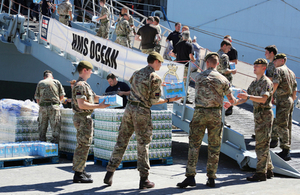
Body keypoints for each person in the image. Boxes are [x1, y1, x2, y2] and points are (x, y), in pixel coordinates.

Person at [103, 52, 181, 189]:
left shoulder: (137, 73)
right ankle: (144, 179)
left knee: (121, 141)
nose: (161, 65)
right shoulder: (155, 77)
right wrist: (170, 99)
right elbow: (154, 100)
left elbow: (137, 88)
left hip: (129, 109)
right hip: (142, 112)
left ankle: (109, 173)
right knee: (143, 144)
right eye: (160, 62)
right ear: (156, 61)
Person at [176, 52, 237, 188]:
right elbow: (231, 100)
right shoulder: (223, 79)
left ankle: (190, 176)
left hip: (199, 113)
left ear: (207, 63)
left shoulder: (198, 77)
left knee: (194, 145)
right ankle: (211, 178)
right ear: (218, 64)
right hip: (215, 114)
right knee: (214, 146)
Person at [235, 58, 274, 181]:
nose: (254, 67)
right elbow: (246, 98)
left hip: (265, 115)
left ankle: (261, 173)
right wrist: (233, 103)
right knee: (263, 143)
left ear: (264, 68)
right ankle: (269, 169)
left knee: (261, 145)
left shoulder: (266, 82)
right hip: (258, 115)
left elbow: (263, 99)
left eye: (257, 65)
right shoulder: (255, 82)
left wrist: (248, 96)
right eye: (254, 65)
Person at [72, 61, 110, 183]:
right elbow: (82, 104)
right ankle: (78, 174)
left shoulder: (85, 85)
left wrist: (109, 98)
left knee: (85, 144)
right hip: (82, 117)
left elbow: (94, 97)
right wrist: (100, 106)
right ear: (84, 70)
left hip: (85, 118)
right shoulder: (80, 86)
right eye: (90, 70)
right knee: (83, 145)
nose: (91, 72)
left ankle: (81, 169)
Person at [271, 53, 297, 161]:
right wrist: (292, 99)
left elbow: (275, 85)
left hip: (282, 100)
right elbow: (295, 88)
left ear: (282, 60)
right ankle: (286, 148)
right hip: (289, 99)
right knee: (288, 124)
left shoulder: (278, 70)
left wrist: (270, 96)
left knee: (282, 124)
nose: (274, 62)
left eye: (275, 61)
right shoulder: (291, 72)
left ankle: (285, 151)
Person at [34, 70, 65, 144]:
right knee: (55, 128)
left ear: (44, 77)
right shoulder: (57, 82)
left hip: (43, 107)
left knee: (42, 128)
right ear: (52, 77)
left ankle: (42, 146)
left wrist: (42, 106)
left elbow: (37, 99)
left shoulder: (40, 83)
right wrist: (56, 103)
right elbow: (62, 96)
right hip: (54, 107)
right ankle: (54, 148)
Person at [171, 30, 195, 104]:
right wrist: (193, 60)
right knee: (185, 82)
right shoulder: (190, 45)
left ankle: (176, 95)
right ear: (188, 37)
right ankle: (184, 98)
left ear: (182, 36)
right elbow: (191, 55)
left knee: (179, 80)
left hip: (178, 65)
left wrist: (177, 57)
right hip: (186, 65)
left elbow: (172, 53)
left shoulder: (178, 44)